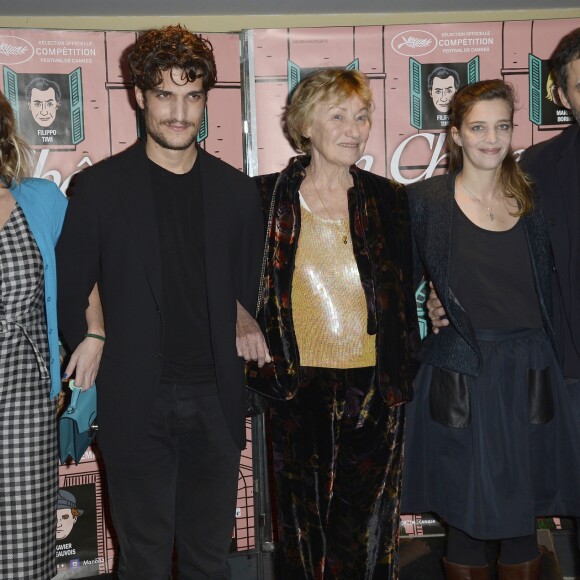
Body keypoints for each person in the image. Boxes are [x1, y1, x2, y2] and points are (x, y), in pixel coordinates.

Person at [56, 25, 263, 580]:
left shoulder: (238, 193)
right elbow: (72, 286)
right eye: (166, 95)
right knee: (143, 561)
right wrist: (92, 335)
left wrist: (244, 316)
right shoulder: (99, 190)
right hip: (134, 403)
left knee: (207, 560)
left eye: (192, 95)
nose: (179, 111)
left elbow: (246, 288)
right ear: (140, 96)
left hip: (216, 401)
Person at [402, 79, 580, 580]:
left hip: (531, 371)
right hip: (460, 372)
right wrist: (428, 314)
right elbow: (394, 291)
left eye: (501, 126)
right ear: (455, 134)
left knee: (523, 517)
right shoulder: (425, 201)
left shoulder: (534, 198)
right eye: (477, 127)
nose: (490, 138)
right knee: (465, 517)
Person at [250, 68, 419, 579]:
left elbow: (407, 281)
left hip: (376, 383)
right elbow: (228, 279)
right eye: (338, 115)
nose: (354, 127)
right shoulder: (262, 199)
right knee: (303, 524)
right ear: (306, 126)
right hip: (298, 382)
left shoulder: (390, 198)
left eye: (362, 116)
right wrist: (240, 315)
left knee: (367, 524)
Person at [0, 91, 101, 579]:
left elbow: (83, 274)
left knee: (23, 554)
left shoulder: (39, 200)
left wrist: (95, 332)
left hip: (23, 404)